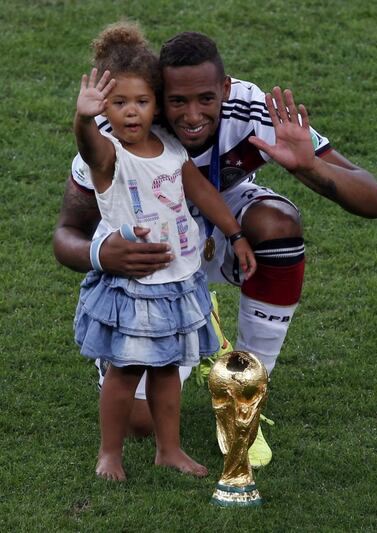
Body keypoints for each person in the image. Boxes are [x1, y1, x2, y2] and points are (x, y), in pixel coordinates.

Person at [54, 30, 377, 469]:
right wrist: (102, 255)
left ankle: (244, 389)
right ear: (157, 96)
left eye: (206, 99)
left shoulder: (251, 108)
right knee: (138, 422)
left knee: (278, 224)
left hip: (222, 226)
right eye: (176, 102)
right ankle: (191, 321)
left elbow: (375, 202)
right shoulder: (117, 124)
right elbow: (67, 232)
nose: (192, 115)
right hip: (148, 255)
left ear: (226, 90)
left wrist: (311, 167)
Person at [71, 22, 256, 481]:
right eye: (118, 103)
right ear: (105, 110)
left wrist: (235, 233)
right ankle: (109, 453)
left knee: (169, 371)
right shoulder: (109, 154)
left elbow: (205, 194)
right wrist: (82, 119)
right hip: (135, 287)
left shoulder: (172, 148)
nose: (130, 113)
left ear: (155, 104)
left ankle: (167, 449)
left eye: (140, 102)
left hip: (177, 281)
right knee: (125, 370)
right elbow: (88, 146)